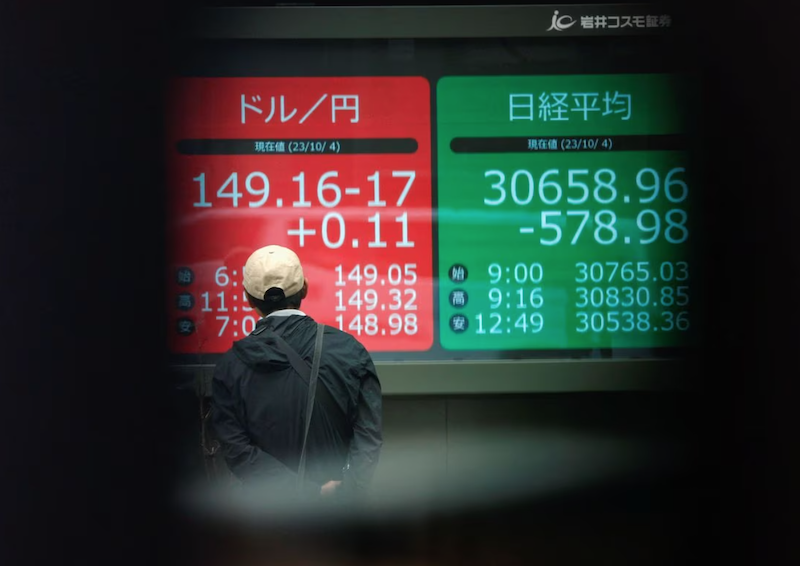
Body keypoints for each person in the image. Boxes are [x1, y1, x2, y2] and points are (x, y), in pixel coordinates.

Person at [210, 245, 383, 502]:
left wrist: (303, 490)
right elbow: (369, 434)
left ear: (248, 298)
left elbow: (237, 452)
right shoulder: (350, 351)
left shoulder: (231, 366)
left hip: (269, 521)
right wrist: (347, 490)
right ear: (305, 288)